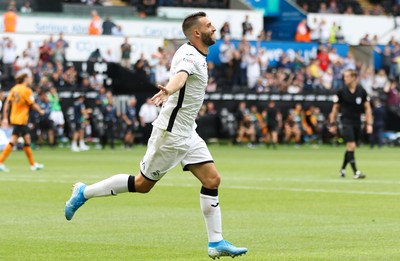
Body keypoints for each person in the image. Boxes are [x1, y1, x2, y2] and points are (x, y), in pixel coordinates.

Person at [64, 12, 248, 259]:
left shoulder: (194, 52)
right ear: (197, 33)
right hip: (171, 134)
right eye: (208, 25)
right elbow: (180, 78)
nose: (213, 28)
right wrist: (168, 89)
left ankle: (216, 243)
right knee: (142, 185)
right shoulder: (191, 56)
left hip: (187, 131)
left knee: (212, 180)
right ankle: (84, 192)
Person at [329, 69, 373, 179]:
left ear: (354, 78)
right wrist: (332, 123)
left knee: (351, 148)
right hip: (345, 121)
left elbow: (367, 108)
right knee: (351, 145)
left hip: (357, 122)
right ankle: (356, 172)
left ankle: (342, 170)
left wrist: (369, 123)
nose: (345, 78)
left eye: (347, 76)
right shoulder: (341, 91)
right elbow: (335, 109)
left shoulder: (361, 91)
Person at [0, 69, 45, 172]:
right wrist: (40, 111)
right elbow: (32, 104)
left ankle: (33, 164)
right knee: (13, 141)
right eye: (30, 78)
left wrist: (5, 117)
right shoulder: (26, 90)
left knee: (27, 140)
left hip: (15, 118)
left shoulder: (14, 89)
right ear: (25, 78)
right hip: (21, 120)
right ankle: (0, 161)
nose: (31, 80)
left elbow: (7, 103)